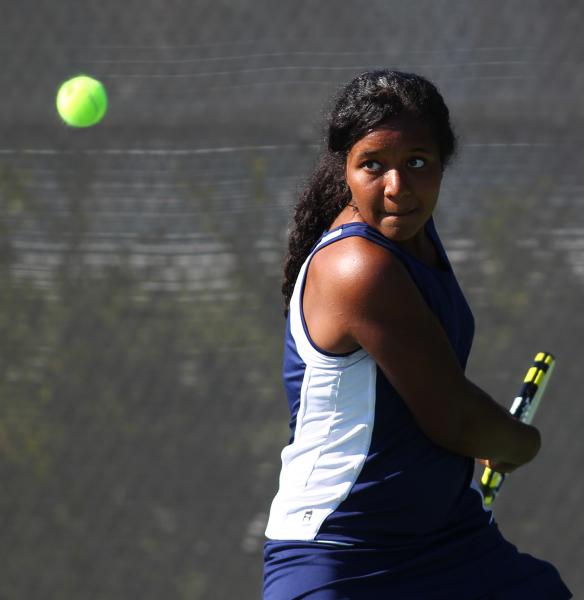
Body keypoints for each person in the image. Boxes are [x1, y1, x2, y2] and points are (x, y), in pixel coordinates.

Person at [262, 70, 571, 599]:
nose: (397, 188)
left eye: (418, 164)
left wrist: (489, 439)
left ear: (442, 164)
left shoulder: (414, 237)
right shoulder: (359, 267)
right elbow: (452, 417)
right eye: (373, 166)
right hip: (343, 557)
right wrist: (520, 443)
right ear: (346, 169)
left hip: (451, 543)